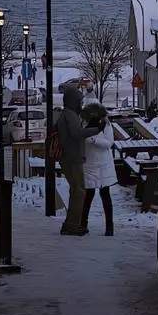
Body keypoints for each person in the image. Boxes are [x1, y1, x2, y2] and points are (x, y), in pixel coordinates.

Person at [57, 87, 103, 236]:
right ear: (73, 101)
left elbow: (76, 132)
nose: (81, 104)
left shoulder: (69, 114)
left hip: (70, 157)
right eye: (79, 101)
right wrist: (96, 130)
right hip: (72, 158)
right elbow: (76, 134)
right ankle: (72, 225)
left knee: (76, 191)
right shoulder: (70, 115)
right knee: (79, 192)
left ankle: (70, 224)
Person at [81, 103, 116, 236]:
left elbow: (109, 143)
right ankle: (83, 224)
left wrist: (94, 139)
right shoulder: (84, 124)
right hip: (89, 164)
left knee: (105, 194)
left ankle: (109, 227)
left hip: (102, 165)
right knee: (88, 195)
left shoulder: (106, 125)